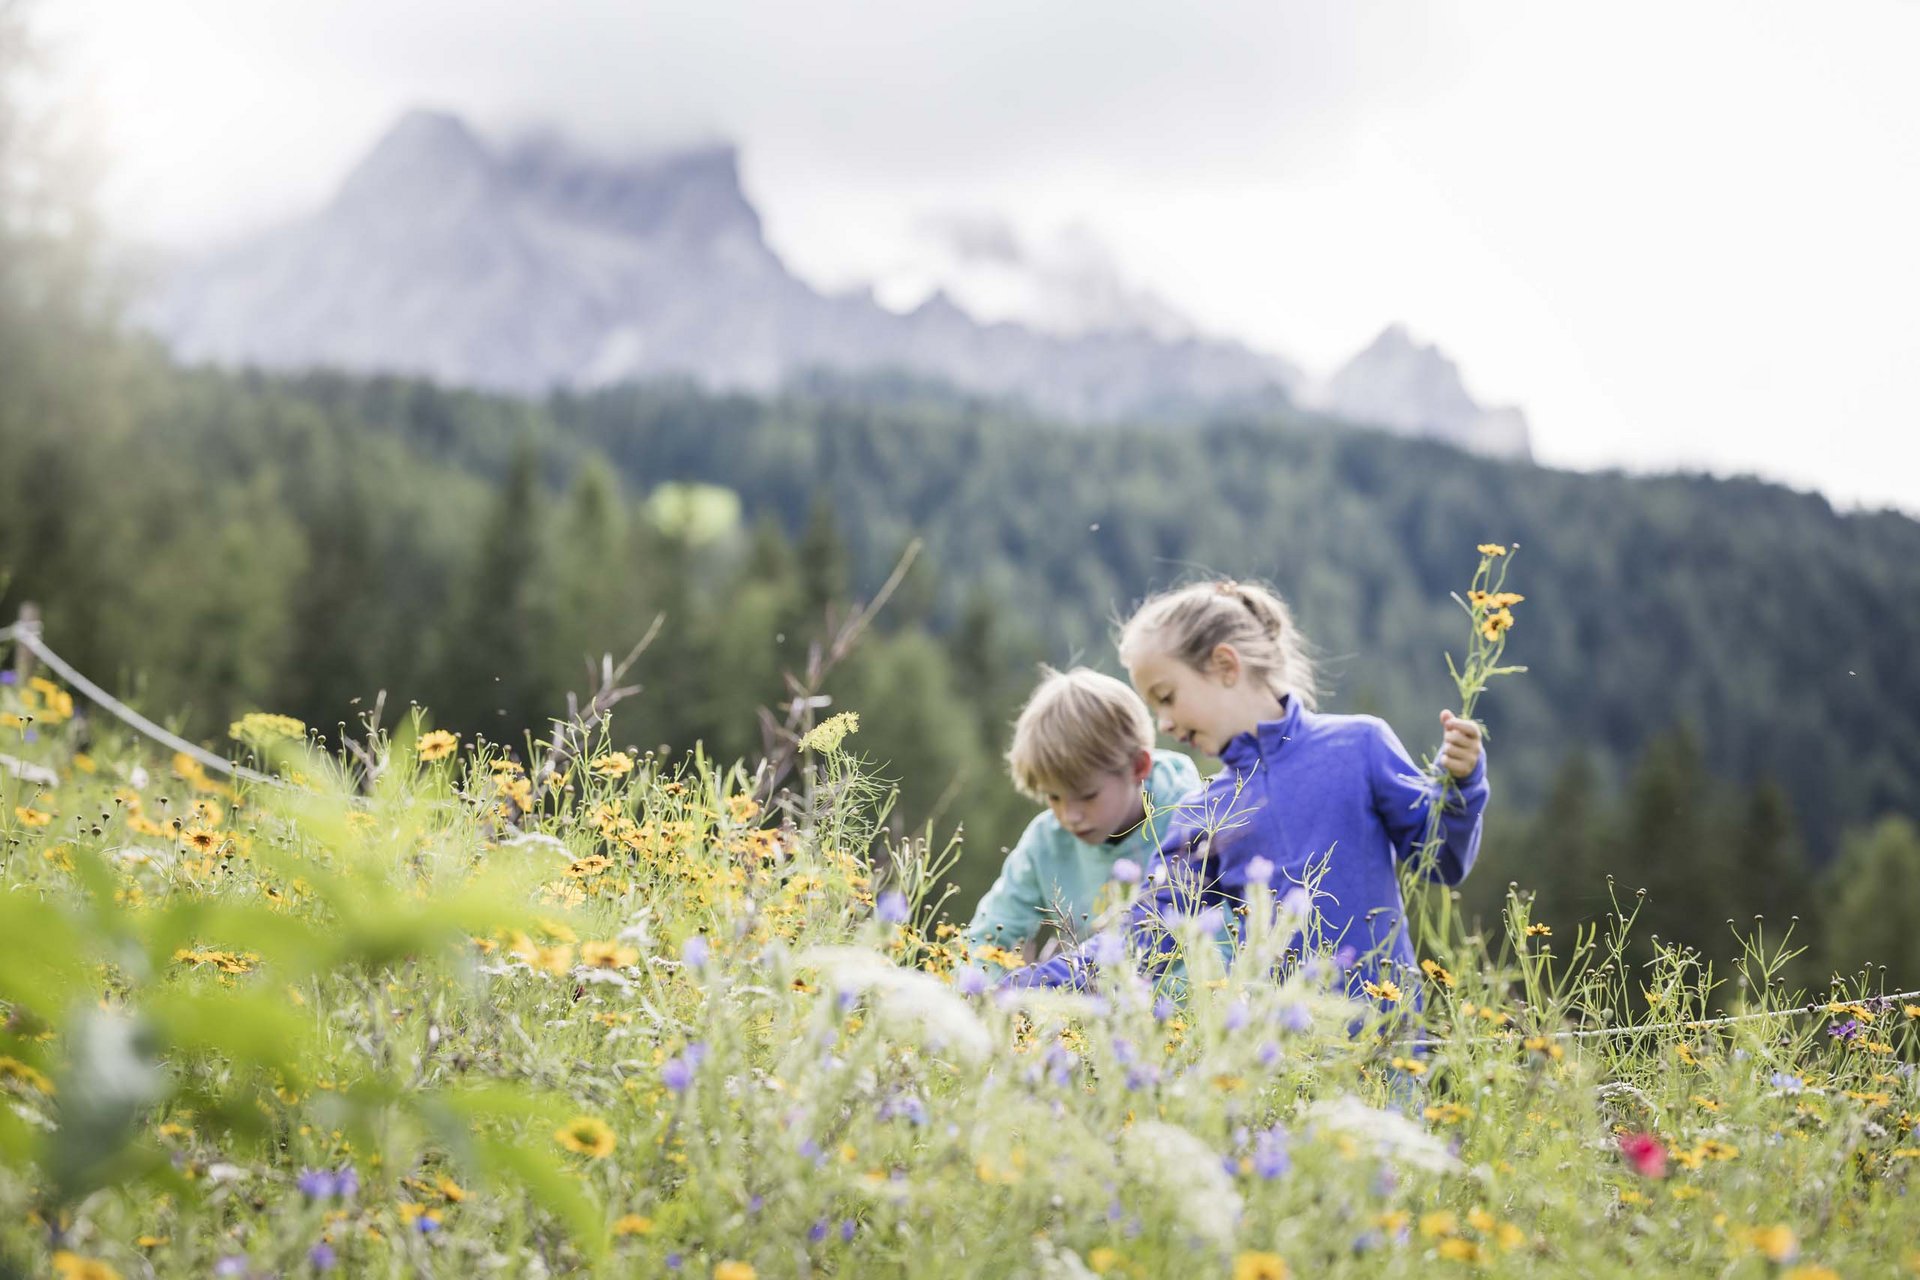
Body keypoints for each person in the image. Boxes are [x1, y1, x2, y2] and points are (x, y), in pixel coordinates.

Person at [1003, 579, 1488, 1000]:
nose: (1164, 723)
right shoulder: (1203, 816)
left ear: (1225, 666)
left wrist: (1461, 784)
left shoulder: (1358, 747)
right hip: (1278, 1061)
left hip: (1388, 1048)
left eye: (1167, 698)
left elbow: (1441, 859)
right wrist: (1016, 989)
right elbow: (1141, 941)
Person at [963, 667, 1201, 979]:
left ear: (1137, 767)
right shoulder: (1045, 842)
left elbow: (1217, 939)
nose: (1069, 816)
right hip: (1087, 1007)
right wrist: (981, 997)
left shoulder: (1191, 820)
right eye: (1054, 797)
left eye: (1087, 796)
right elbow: (989, 935)